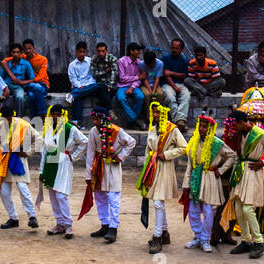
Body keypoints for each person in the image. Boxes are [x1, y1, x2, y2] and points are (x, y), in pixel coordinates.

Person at [224, 108, 264, 258]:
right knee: (238, 207)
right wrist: (233, 177)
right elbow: (238, 155)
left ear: (242, 122)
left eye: (235, 125)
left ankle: (258, 242)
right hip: (241, 173)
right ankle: (246, 240)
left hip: (254, 172)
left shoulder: (260, 134)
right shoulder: (239, 133)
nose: (234, 128)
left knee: (248, 209)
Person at [180, 114, 235, 253]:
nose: (201, 129)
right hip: (195, 179)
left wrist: (220, 170)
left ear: (210, 128)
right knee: (193, 211)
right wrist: (186, 184)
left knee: (209, 211)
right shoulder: (193, 142)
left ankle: (205, 239)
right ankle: (198, 237)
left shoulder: (217, 143)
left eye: (205, 127)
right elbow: (190, 166)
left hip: (210, 179)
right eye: (200, 126)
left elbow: (232, 156)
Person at [137, 101, 187, 254]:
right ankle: (165, 233)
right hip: (152, 167)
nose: (156, 115)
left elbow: (184, 147)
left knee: (158, 202)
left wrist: (166, 155)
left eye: (158, 112)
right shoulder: (152, 129)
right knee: (158, 201)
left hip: (164, 167)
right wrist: (147, 167)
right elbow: (148, 149)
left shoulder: (172, 130)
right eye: (154, 112)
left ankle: (157, 236)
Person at [82, 104, 135, 243]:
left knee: (113, 196)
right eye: (93, 119)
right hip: (98, 166)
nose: (95, 122)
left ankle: (113, 228)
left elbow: (131, 142)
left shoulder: (117, 131)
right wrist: (89, 174)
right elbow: (90, 153)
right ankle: (104, 225)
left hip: (112, 166)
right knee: (99, 196)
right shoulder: (93, 131)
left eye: (97, 119)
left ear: (104, 119)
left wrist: (121, 156)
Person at [39, 104, 87, 237]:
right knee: (53, 195)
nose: (55, 116)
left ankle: (68, 223)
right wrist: (41, 171)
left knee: (61, 195)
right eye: (53, 114)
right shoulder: (48, 128)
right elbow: (44, 151)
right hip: (50, 163)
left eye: (58, 114)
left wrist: (73, 156)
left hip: (63, 163)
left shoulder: (70, 128)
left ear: (62, 114)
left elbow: (84, 142)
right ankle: (59, 223)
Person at [0, 100, 39, 229]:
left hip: (18, 159)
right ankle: (13, 218)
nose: (6, 120)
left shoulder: (23, 125)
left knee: (23, 188)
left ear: (12, 116)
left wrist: (28, 152)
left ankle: (32, 216)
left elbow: (39, 138)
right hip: (4, 160)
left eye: (7, 118)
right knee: (4, 192)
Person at [67, 41, 106, 122]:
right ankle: (77, 121)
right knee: (78, 97)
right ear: (76, 52)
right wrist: (79, 86)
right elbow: (73, 79)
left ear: (86, 52)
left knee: (97, 85)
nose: (82, 54)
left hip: (90, 86)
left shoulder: (90, 61)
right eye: (80, 52)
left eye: (83, 52)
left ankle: (72, 95)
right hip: (79, 87)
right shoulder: (72, 65)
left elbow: (93, 76)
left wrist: (85, 86)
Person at [159, 38, 192, 128]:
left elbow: (184, 75)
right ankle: (178, 120)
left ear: (181, 49)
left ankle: (180, 120)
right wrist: (174, 85)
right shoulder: (165, 59)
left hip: (181, 84)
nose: (174, 50)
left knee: (186, 96)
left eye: (176, 48)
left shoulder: (184, 61)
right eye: (172, 48)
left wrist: (172, 73)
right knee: (170, 97)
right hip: (168, 84)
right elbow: (165, 74)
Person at [114, 43, 145, 126]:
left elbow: (140, 79)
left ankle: (131, 120)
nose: (139, 52)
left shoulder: (139, 63)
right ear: (131, 51)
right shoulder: (121, 61)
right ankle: (135, 119)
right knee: (121, 98)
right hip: (122, 86)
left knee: (140, 97)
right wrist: (137, 77)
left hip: (134, 86)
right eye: (138, 50)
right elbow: (122, 78)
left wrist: (132, 87)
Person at [0, 43, 35, 114]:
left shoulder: (26, 64)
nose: (16, 54)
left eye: (18, 52)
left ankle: (19, 117)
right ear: (11, 53)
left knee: (20, 97)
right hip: (6, 86)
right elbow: (0, 78)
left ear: (21, 53)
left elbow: (32, 78)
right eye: (14, 52)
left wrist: (22, 82)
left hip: (18, 86)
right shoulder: (7, 64)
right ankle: (0, 116)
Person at [21, 39, 49, 118]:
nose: (28, 51)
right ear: (23, 50)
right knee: (32, 93)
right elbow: (7, 60)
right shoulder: (22, 58)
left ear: (34, 48)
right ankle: (39, 116)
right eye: (26, 49)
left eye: (30, 48)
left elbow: (41, 77)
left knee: (34, 92)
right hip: (30, 85)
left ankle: (38, 115)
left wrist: (25, 82)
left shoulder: (43, 59)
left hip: (42, 85)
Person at [88, 41, 118, 115]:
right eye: (99, 51)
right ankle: (109, 110)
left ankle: (104, 114)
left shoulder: (112, 59)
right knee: (101, 87)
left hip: (111, 85)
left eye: (103, 51)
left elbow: (114, 74)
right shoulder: (94, 59)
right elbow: (94, 74)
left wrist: (109, 86)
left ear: (106, 51)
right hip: (99, 85)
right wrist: (105, 71)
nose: (101, 53)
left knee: (104, 96)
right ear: (96, 51)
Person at [138, 48, 164, 120]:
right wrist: (150, 91)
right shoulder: (142, 64)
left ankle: (160, 116)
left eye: (151, 64)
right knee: (147, 95)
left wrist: (154, 90)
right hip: (145, 85)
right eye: (148, 65)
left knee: (160, 94)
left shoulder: (160, 64)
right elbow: (144, 79)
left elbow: (157, 78)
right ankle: (149, 117)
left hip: (155, 84)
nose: (150, 66)